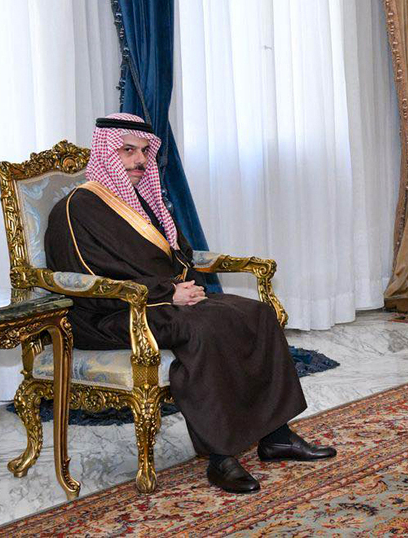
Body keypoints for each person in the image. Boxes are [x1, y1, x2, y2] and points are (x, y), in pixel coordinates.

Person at [44, 114, 336, 494]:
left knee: (257, 314)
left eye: (144, 152)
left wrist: (181, 286)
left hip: (164, 300)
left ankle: (276, 434)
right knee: (201, 328)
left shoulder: (144, 201)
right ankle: (221, 456)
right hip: (110, 314)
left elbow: (178, 252)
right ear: (106, 153)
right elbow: (85, 274)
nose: (138, 160)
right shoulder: (77, 207)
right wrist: (165, 293)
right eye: (127, 150)